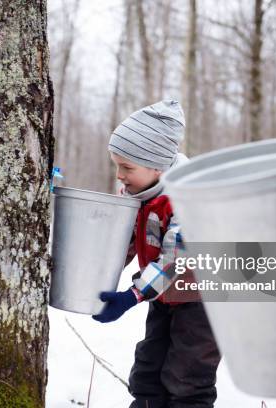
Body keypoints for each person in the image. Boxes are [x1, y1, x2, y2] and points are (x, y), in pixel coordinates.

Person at [92, 100, 221, 408]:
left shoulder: (187, 197)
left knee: (188, 376)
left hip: (201, 300)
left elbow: (175, 260)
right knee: (148, 369)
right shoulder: (139, 193)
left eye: (127, 168)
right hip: (165, 296)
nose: (120, 175)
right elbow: (125, 242)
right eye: (117, 166)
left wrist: (132, 296)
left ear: (157, 166)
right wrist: (92, 272)